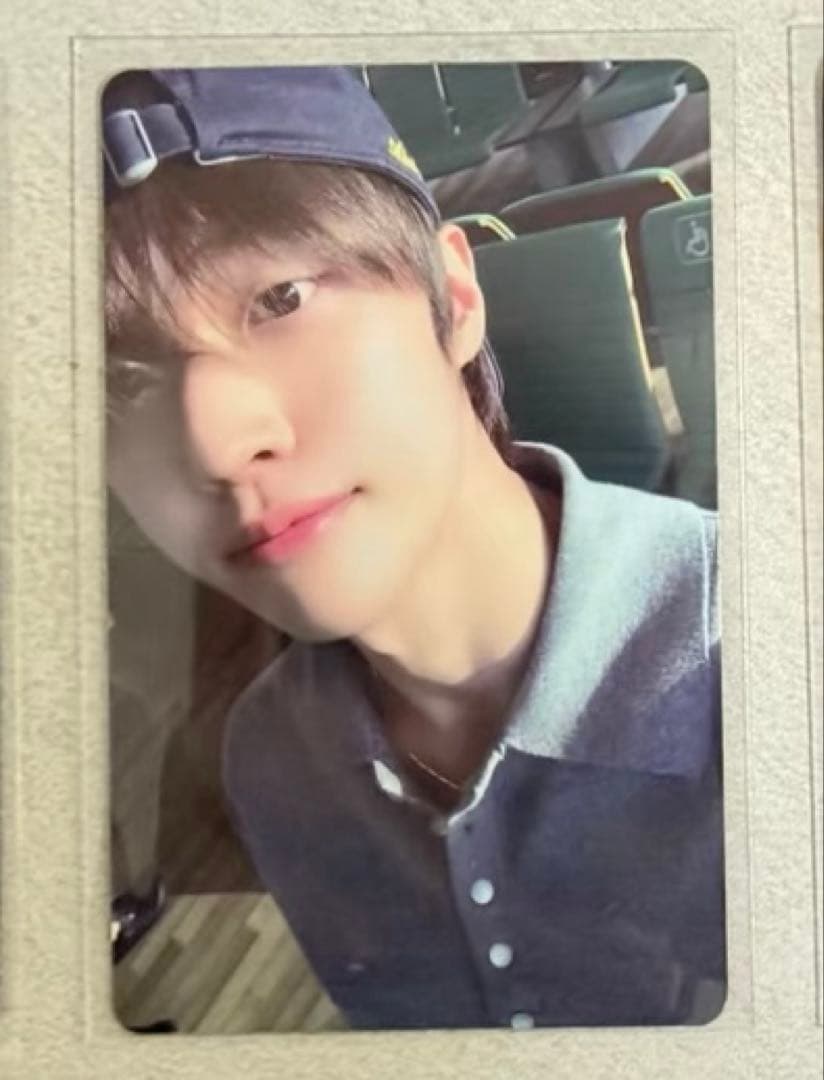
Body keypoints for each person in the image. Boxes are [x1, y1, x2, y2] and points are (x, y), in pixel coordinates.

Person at [103, 65, 725, 1031]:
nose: (214, 446)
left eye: (281, 297)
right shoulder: (270, 763)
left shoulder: (764, 666)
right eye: (122, 383)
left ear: (456, 297)